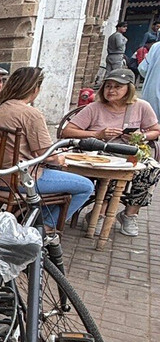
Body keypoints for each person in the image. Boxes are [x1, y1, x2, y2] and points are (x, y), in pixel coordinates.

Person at [0, 67, 95, 229]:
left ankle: (33, 219)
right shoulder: (30, 114)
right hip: (22, 179)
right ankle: (46, 227)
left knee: (63, 181)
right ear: (34, 89)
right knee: (86, 186)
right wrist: (60, 158)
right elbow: (47, 155)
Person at [61, 68, 160, 237]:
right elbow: (67, 131)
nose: (111, 91)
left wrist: (141, 136)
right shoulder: (94, 108)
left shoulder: (141, 106)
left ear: (128, 89)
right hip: (100, 152)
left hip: (128, 151)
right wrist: (97, 134)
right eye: (108, 86)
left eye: (117, 87)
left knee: (152, 168)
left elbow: (155, 130)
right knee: (116, 171)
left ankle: (130, 214)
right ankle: (99, 213)